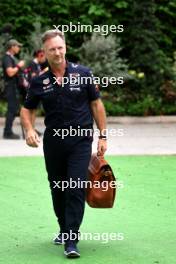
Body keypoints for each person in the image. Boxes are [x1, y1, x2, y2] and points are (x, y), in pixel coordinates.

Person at [20, 29, 107, 258]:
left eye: (60, 47)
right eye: (52, 49)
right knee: (58, 188)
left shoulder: (84, 73)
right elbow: (26, 109)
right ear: (45, 52)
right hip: (54, 143)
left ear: (65, 47)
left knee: (76, 187)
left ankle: (71, 239)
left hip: (80, 141)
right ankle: (63, 227)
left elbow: (96, 105)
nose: (57, 53)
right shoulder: (40, 81)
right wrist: (29, 129)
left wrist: (103, 136)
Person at [2, 39, 25, 139]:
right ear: (12, 47)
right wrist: (18, 66)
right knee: (11, 109)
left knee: (13, 109)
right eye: (17, 46)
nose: (19, 48)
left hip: (12, 87)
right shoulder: (7, 58)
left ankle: (8, 131)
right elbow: (10, 72)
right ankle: (7, 132)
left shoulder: (11, 58)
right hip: (10, 87)